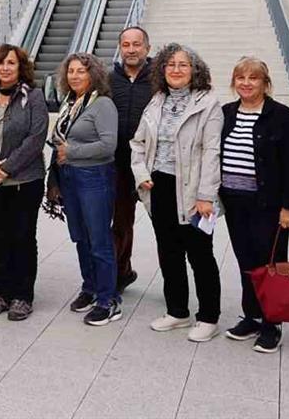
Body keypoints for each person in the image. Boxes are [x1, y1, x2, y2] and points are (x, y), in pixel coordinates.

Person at [130, 43, 223, 342]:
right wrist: (142, 174)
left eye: (183, 64)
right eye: (170, 64)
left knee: (200, 254)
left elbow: (212, 152)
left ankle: (208, 317)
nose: (176, 70)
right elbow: (138, 143)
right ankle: (177, 311)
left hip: (194, 191)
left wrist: (206, 195)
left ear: (195, 70)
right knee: (169, 252)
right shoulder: (157, 101)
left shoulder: (208, 104)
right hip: (160, 187)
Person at [220, 57, 289, 354]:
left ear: (265, 83)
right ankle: (252, 316)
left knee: (271, 264)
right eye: (240, 77)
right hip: (234, 200)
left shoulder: (283, 117)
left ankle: (272, 322)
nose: (246, 83)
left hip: (267, 203)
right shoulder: (226, 113)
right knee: (246, 261)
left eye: (253, 78)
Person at [0, 45, 47, 321]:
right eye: (0, 63)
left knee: (22, 237)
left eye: (10, 63)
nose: (5, 68)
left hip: (25, 181)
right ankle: (2, 292)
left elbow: (36, 139)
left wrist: (6, 167)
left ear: (20, 67)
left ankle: (23, 296)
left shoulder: (33, 97)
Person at [50, 52, 122, 326]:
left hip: (94, 177)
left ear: (94, 74)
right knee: (80, 237)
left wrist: (72, 152)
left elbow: (108, 145)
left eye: (81, 71)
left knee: (99, 240)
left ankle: (108, 300)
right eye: (71, 71)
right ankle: (90, 287)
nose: (75, 75)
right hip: (69, 177)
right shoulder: (71, 102)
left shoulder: (102, 104)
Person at [110, 26, 152, 293]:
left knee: (166, 227)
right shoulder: (108, 80)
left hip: (151, 164)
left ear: (147, 47)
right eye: (126, 45)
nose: (131, 50)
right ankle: (119, 273)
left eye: (137, 44)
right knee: (121, 222)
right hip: (117, 164)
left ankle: (175, 286)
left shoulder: (160, 79)